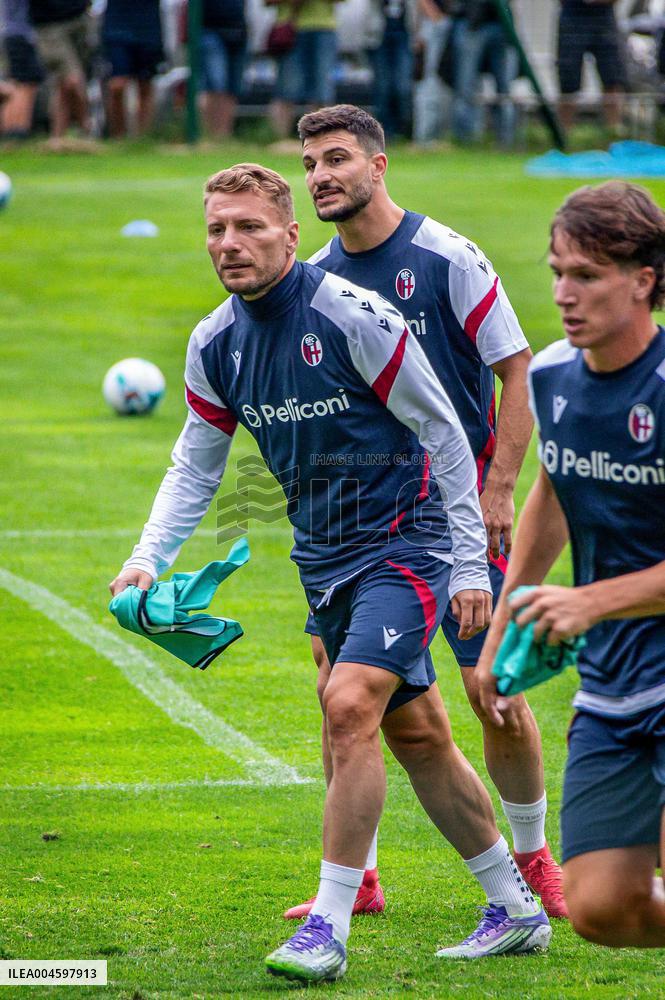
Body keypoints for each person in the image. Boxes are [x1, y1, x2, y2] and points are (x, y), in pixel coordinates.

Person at [109, 163, 551, 982]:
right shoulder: (214, 343)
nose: (230, 244)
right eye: (216, 229)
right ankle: (514, 908)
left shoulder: (352, 315)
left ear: (288, 235)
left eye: (248, 227)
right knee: (416, 735)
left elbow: (445, 433)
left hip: (410, 542)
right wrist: (145, 560)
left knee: (346, 706)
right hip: (323, 557)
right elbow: (196, 466)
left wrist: (467, 564)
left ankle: (328, 926)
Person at [282, 103, 567, 921]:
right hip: (366, 524)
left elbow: (516, 370)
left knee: (491, 686)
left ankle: (532, 857)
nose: (321, 177)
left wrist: (498, 487)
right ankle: (359, 876)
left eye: (336, 158)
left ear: (378, 166)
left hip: (459, 511)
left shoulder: (446, 258)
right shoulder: (316, 280)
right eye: (310, 165)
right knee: (340, 687)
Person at [476, 180, 665, 948]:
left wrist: (590, 601)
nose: (561, 293)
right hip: (612, 680)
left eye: (585, 275)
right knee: (599, 909)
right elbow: (552, 492)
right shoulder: (553, 377)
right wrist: (500, 630)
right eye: (556, 272)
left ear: (643, 280)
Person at [266, 0, 337, 141]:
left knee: (322, 91)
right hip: (290, 28)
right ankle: (278, 140)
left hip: (323, 28)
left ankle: (320, 139)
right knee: (286, 89)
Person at [451, 0, 519, 147]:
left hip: (501, 24)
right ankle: (464, 141)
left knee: (504, 89)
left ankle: (505, 141)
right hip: (472, 22)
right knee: (465, 86)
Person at [556, 0, 627, 132]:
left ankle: (615, 133)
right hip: (572, 14)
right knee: (568, 82)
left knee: (612, 79)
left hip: (604, 15)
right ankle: (562, 135)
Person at [28, 0, 91, 142]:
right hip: (49, 24)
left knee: (63, 83)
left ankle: (57, 136)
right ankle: (87, 129)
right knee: (73, 80)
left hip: (79, 17)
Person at [101, 0, 164, 138]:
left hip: (148, 29)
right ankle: (119, 137)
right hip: (117, 29)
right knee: (117, 85)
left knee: (145, 84)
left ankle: (142, 139)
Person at [199, 0, 246, 139]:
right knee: (214, 86)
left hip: (238, 30)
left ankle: (223, 136)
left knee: (231, 89)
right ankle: (206, 135)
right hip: (209, 29)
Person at [0, 0, 44, 140]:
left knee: (19, 83)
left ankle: (11, 130)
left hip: (12, 35)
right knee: (24, 85)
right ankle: (17, 129)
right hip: (20, 36)